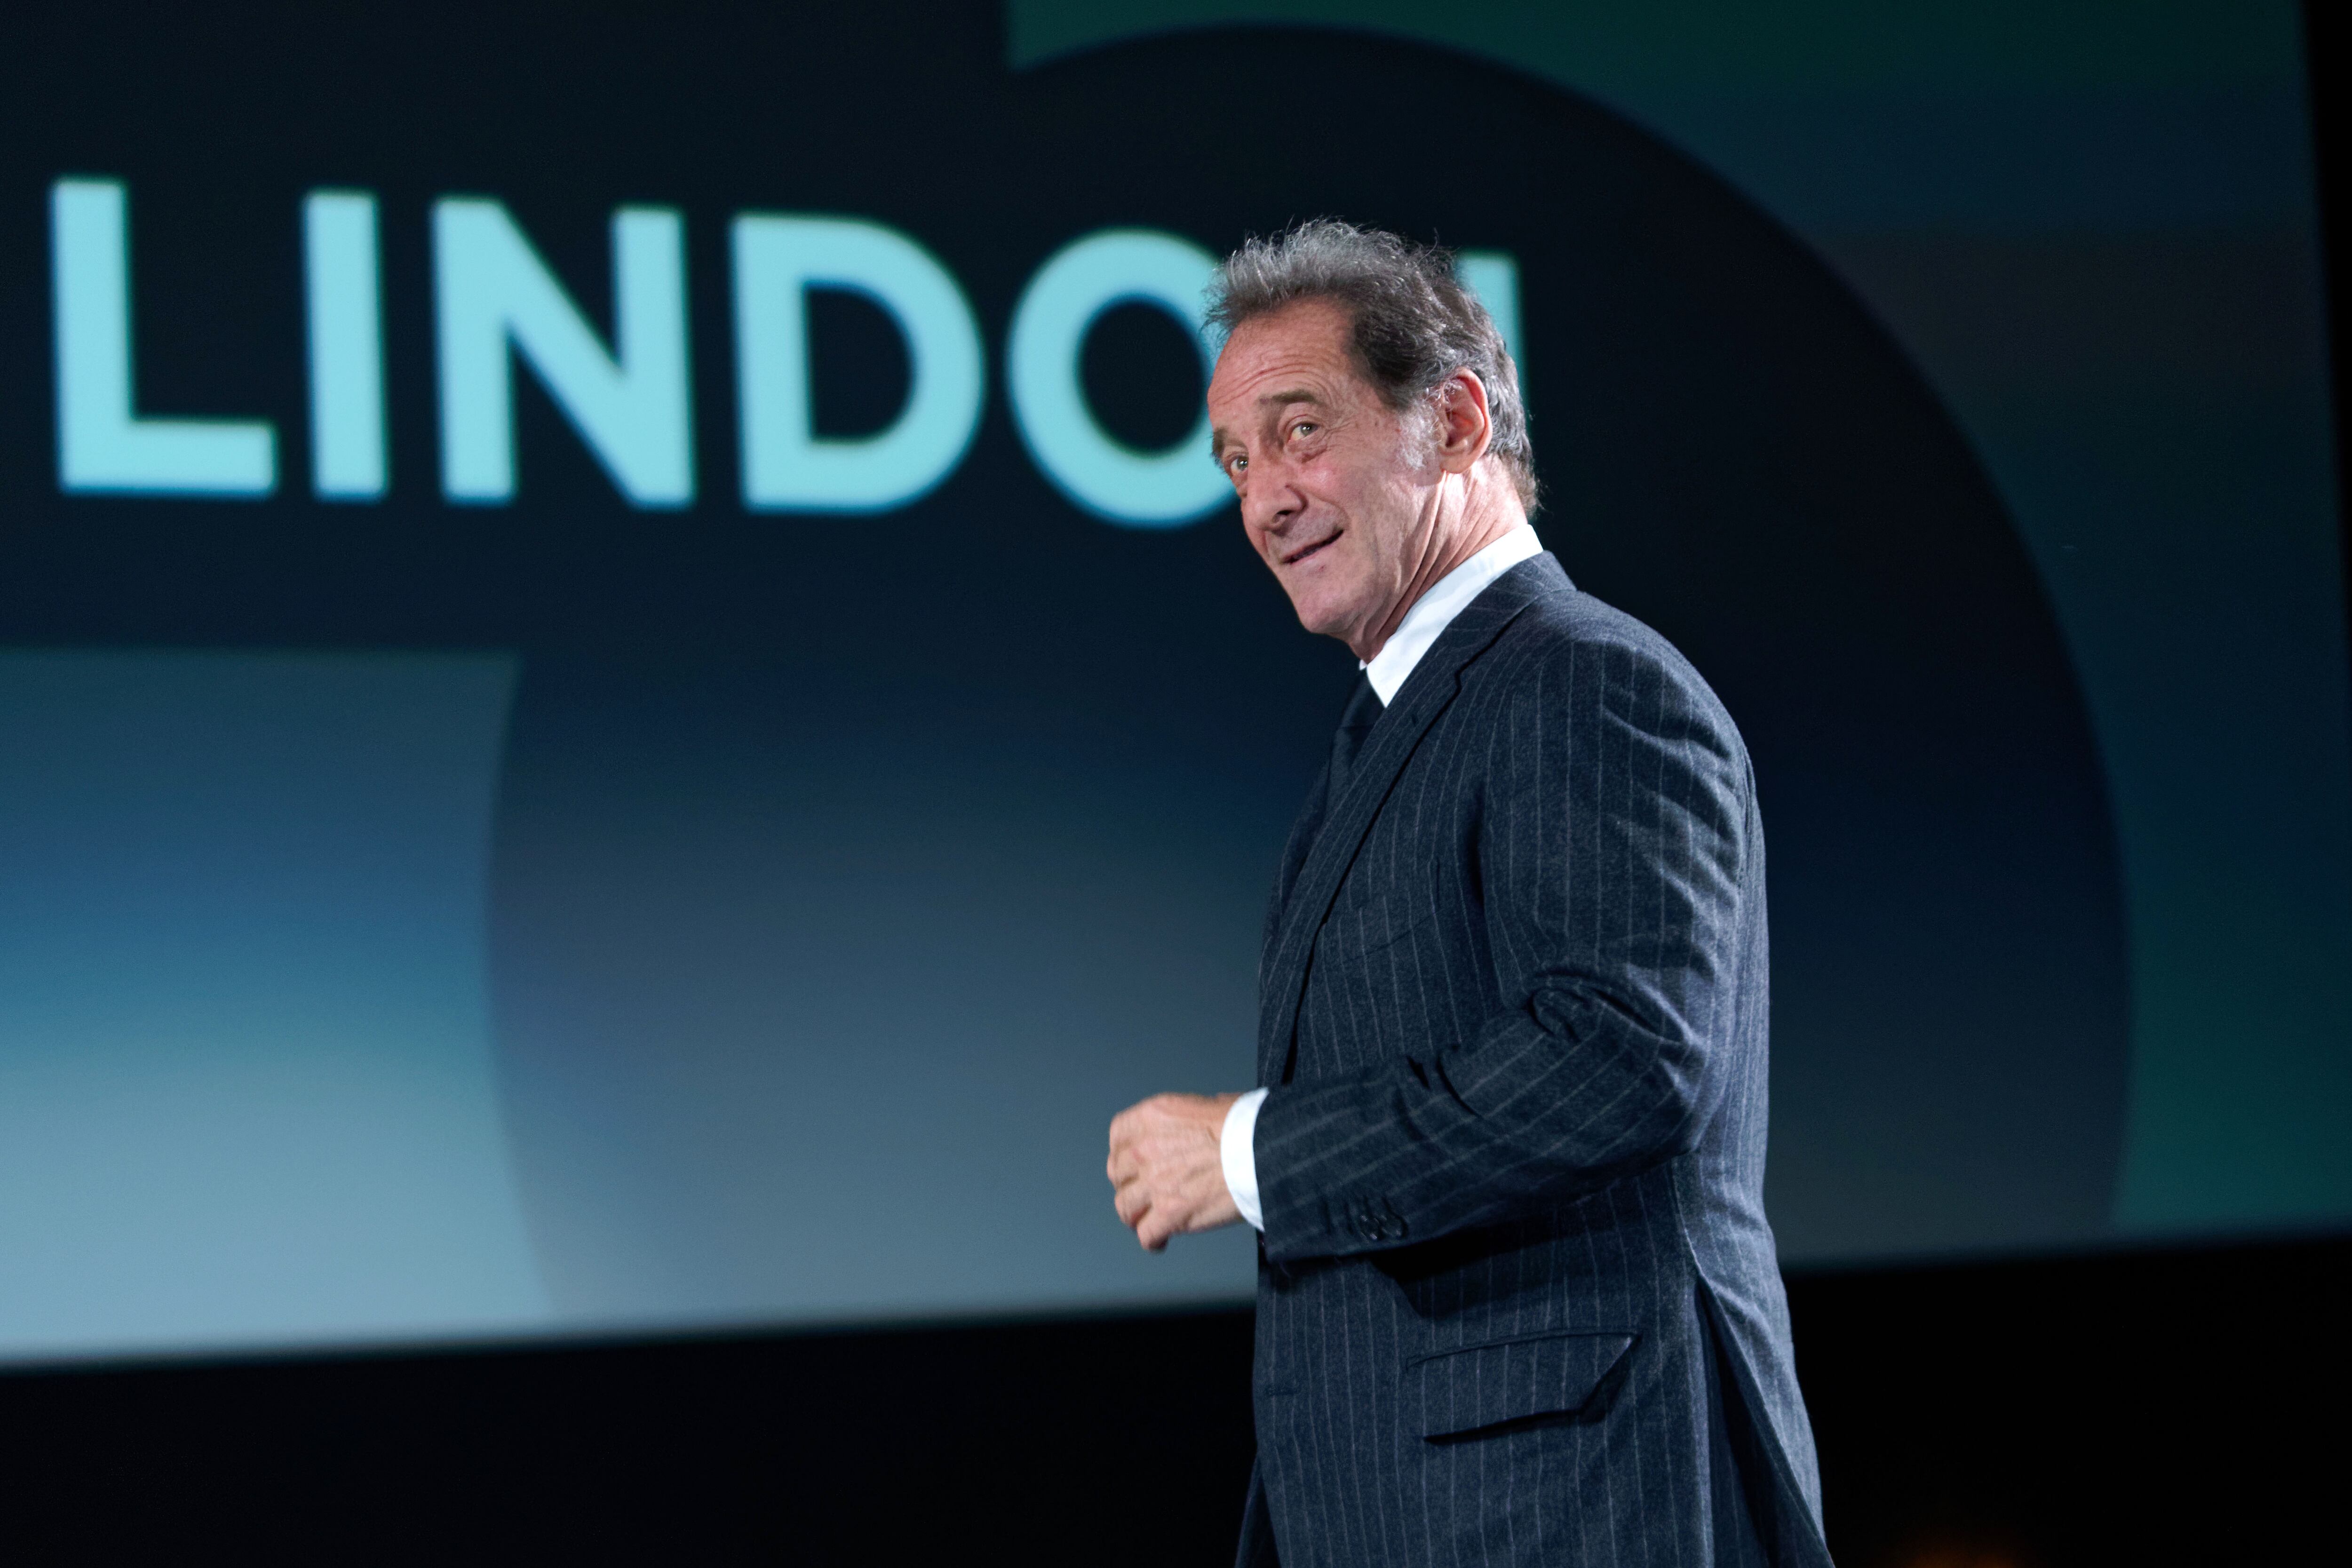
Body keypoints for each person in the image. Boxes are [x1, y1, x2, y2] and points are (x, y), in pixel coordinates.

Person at [1106, 221, 1832, 1567]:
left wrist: (1250, 1154)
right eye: (1235, 460)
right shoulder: (1394, 727)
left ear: (1450, 420)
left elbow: (1620, 1056)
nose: (1265, 498)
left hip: (1579, 1499)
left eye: (1301, 430)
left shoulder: (1583, 683)